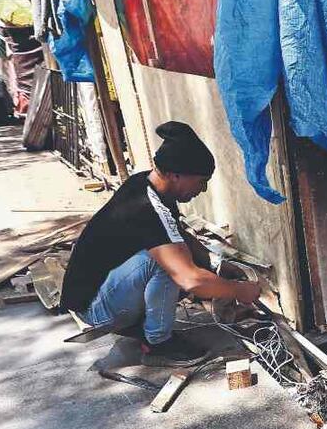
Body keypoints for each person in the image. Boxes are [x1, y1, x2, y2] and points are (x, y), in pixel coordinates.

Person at [61, 121, 261, 367]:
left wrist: (214, 263)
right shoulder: (147, 208)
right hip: (95, 309)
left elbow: (177, 233)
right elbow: (191, 280)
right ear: (176, 175)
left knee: (179, 256)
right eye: (201, 181)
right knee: (168, 264)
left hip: (106, 292)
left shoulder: (147, 185)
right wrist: (239, 290)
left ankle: (142, 325)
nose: (203, 189)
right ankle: (158, 345)